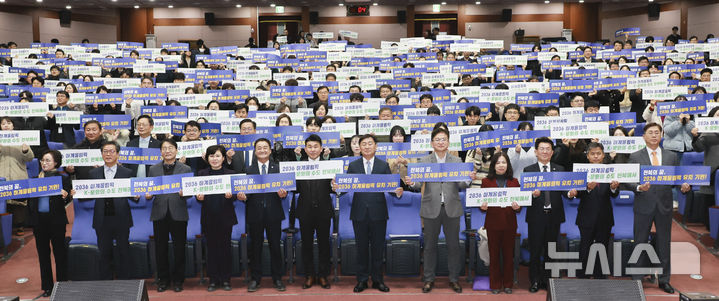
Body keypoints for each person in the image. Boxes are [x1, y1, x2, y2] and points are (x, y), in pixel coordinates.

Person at [405, 127, 475, 294]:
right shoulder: (424, 161)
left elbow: (461, 184)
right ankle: (429, 279)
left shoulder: (457, 162)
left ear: (448, 143)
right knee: (429, 247)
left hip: (452, 208)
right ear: (432, 143)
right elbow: (417, 184)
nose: (441, 142)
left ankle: (454, 279)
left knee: (453, 247)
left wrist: (469, 180)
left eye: (444, 139)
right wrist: (410, 182)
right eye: (437, 140)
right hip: (430, 209)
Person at [623, 123, 690, 294]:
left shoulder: (671, 157)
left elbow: (677, 179)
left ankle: (664, 279)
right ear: (644, 136)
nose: (654, 135)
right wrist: (638, 188)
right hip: (643, 204)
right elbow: (629, 181)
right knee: (640, 241)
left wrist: (683, 185)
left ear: (661, 136)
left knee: (663, 243)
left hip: (664, 205)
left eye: (657, 132)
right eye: (650, 133)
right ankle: (636, 278)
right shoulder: (635, 156)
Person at [333, 134, 403, 293]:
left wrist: (397, 192)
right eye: (363, 144)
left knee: (378, 249)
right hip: (359, 213)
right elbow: (345, 189)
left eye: (369, 143)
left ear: (376, 146)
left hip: (379, 213)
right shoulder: (353, 166)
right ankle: (362, 280)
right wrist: (337, 188)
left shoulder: (383, 165)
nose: (366, 146)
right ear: (360, 147)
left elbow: (391, 188)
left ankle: (378, 280)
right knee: (362, 248)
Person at [238, 138, 287, 292]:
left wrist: (283, 194)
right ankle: (255, 279)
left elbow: (286, 190)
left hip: (274, 214)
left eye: (265, 147)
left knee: (275, 247)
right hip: (255, 214)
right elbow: (247, 194)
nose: (262, 150)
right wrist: (243, 196)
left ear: (270, 150)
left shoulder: (278, 169)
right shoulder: (248, 170)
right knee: (255, 247)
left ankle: (277, 278)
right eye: (259, 148)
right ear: (255, 151)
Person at [567, 142, 619, 279]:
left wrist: (614, 187)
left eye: (598, 154)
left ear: (603, 155)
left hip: (605, 216)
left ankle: (600, 275)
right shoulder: (580, 172)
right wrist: (588, 188)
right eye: (593, 154)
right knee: (585, 247)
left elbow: (614, 194)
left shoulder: (610, 171)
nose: (596, 156)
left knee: (602, 247)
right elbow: (577, 194)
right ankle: (583, 275)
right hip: (586, 216)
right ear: (588, 156)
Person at [147, 139, 193, 293]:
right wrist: (148, 195)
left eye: (170, 148)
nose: (167, 151)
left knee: (179, 248)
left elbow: (190, 192)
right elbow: (150, 190)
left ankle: (179, 280)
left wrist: (185, 192)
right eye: (164, 148)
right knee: (161, 249)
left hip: (178, 212)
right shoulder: (153, 169)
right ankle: (163, 280)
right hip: (159, 213)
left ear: (176, 150)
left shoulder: (186, 169)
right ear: (160, 152)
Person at [86, 141, 136, 280]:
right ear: (101, 154)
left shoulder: (127, 172)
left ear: (118, 154)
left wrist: (136, 195)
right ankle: (105, 283)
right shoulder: (93, 173)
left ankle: (125, 282)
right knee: (104, 252)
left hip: (121, 218)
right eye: (105, 151)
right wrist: (76, 193)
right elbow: (86, 195)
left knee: (123, 251)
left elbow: (133, 194)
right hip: (102, 219)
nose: (108, 154)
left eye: (112, 151)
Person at [27, 150, 70, 297]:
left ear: (56, 163)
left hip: (56, 221)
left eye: (48, 161)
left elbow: (69, 197)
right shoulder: (34, 179)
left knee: (59, 253)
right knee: (43, 255)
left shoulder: (63, 178)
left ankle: (62, 284)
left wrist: (65, 196)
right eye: (43, 160)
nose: (44, 163)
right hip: (39, 223)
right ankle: (47, 286)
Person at [524, 137, 565, 293]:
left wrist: (570, 192)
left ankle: (548, 281)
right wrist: (532, 194)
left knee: (551, 250)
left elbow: (565, 191)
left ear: (552, 152)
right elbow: (524, 195)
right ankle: (534, 280)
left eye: (548, 149)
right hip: (536, 216)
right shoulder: (529, 170)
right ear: (536, 151)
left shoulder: (560, 169)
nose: (545, 151)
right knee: (535, 251)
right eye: (542, 148)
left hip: (554, 216)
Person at [295, 134, 334, 289]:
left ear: (321, 148)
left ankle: (323, 275)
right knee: (307, 245)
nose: (312, 150)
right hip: (305, 211)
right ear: (305, 149)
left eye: (315, 146)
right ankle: (309, 275)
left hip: (324, 211)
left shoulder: (329, 166)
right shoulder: (298, 166)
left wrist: (336, 186)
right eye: (309, 147)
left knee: (325, 244)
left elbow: (334, 188)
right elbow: (294, 188)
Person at [479, 152, 521, 294]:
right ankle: (495, 285)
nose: (501, 165)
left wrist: (518, 207)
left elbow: (519, 205)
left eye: (504, 162)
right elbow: (481, 204)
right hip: (493, 224)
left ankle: (508, 284)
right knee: (494, 255)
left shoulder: (514, 182)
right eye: (498, 163)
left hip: (510, 224)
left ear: (508, 164)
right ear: (493, 165)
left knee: (509, 256)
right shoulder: (486, 182)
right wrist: (482, 206)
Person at [196, 145, 236, 292]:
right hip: (208, 217)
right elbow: (196, 193)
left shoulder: (231, 174)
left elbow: (238, 195)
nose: (214, 159)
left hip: (226, 217)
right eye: (211, 156)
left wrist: (232, 196)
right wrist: (198, 197)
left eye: (218, 156)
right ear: (207, 158)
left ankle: (226, 279)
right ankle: (213, 279)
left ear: (223, 158)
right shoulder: (201, 174)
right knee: (211, 249)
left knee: (225, 248)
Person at [692, 107, 719, 230]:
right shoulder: (708, 133)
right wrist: (695, 137)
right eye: (718, 115)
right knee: (710, 199)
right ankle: (711, 226)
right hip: (713, 171)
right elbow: (699, 148)